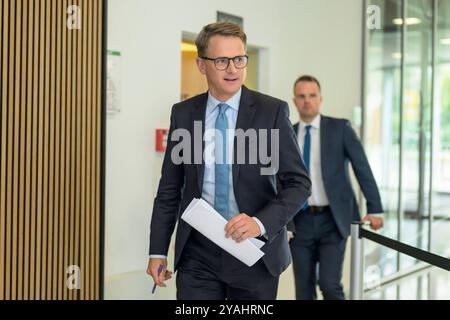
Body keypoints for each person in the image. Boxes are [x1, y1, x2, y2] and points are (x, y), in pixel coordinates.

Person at [146, 22, 311, 300]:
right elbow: (170, 190)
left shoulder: (272, 111)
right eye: (222, 61)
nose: (233, 69)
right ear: (201, 64)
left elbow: (298, 184)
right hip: (198, 254)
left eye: (239, 59)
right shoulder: (184, 114)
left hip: (254, 251)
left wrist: (259, 222)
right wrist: (157, 251)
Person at [288, 75, 384, 300]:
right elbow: (278, 179)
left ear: (320, 99)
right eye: (302, 96)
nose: (307, 101)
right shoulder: (287, 132)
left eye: (312, 96)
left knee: (330, 284)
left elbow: (362, 168)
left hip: (333, 219)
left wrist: (375, 207)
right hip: (298, 221)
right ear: (294, 101)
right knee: (303, 289)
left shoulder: (340, 128)